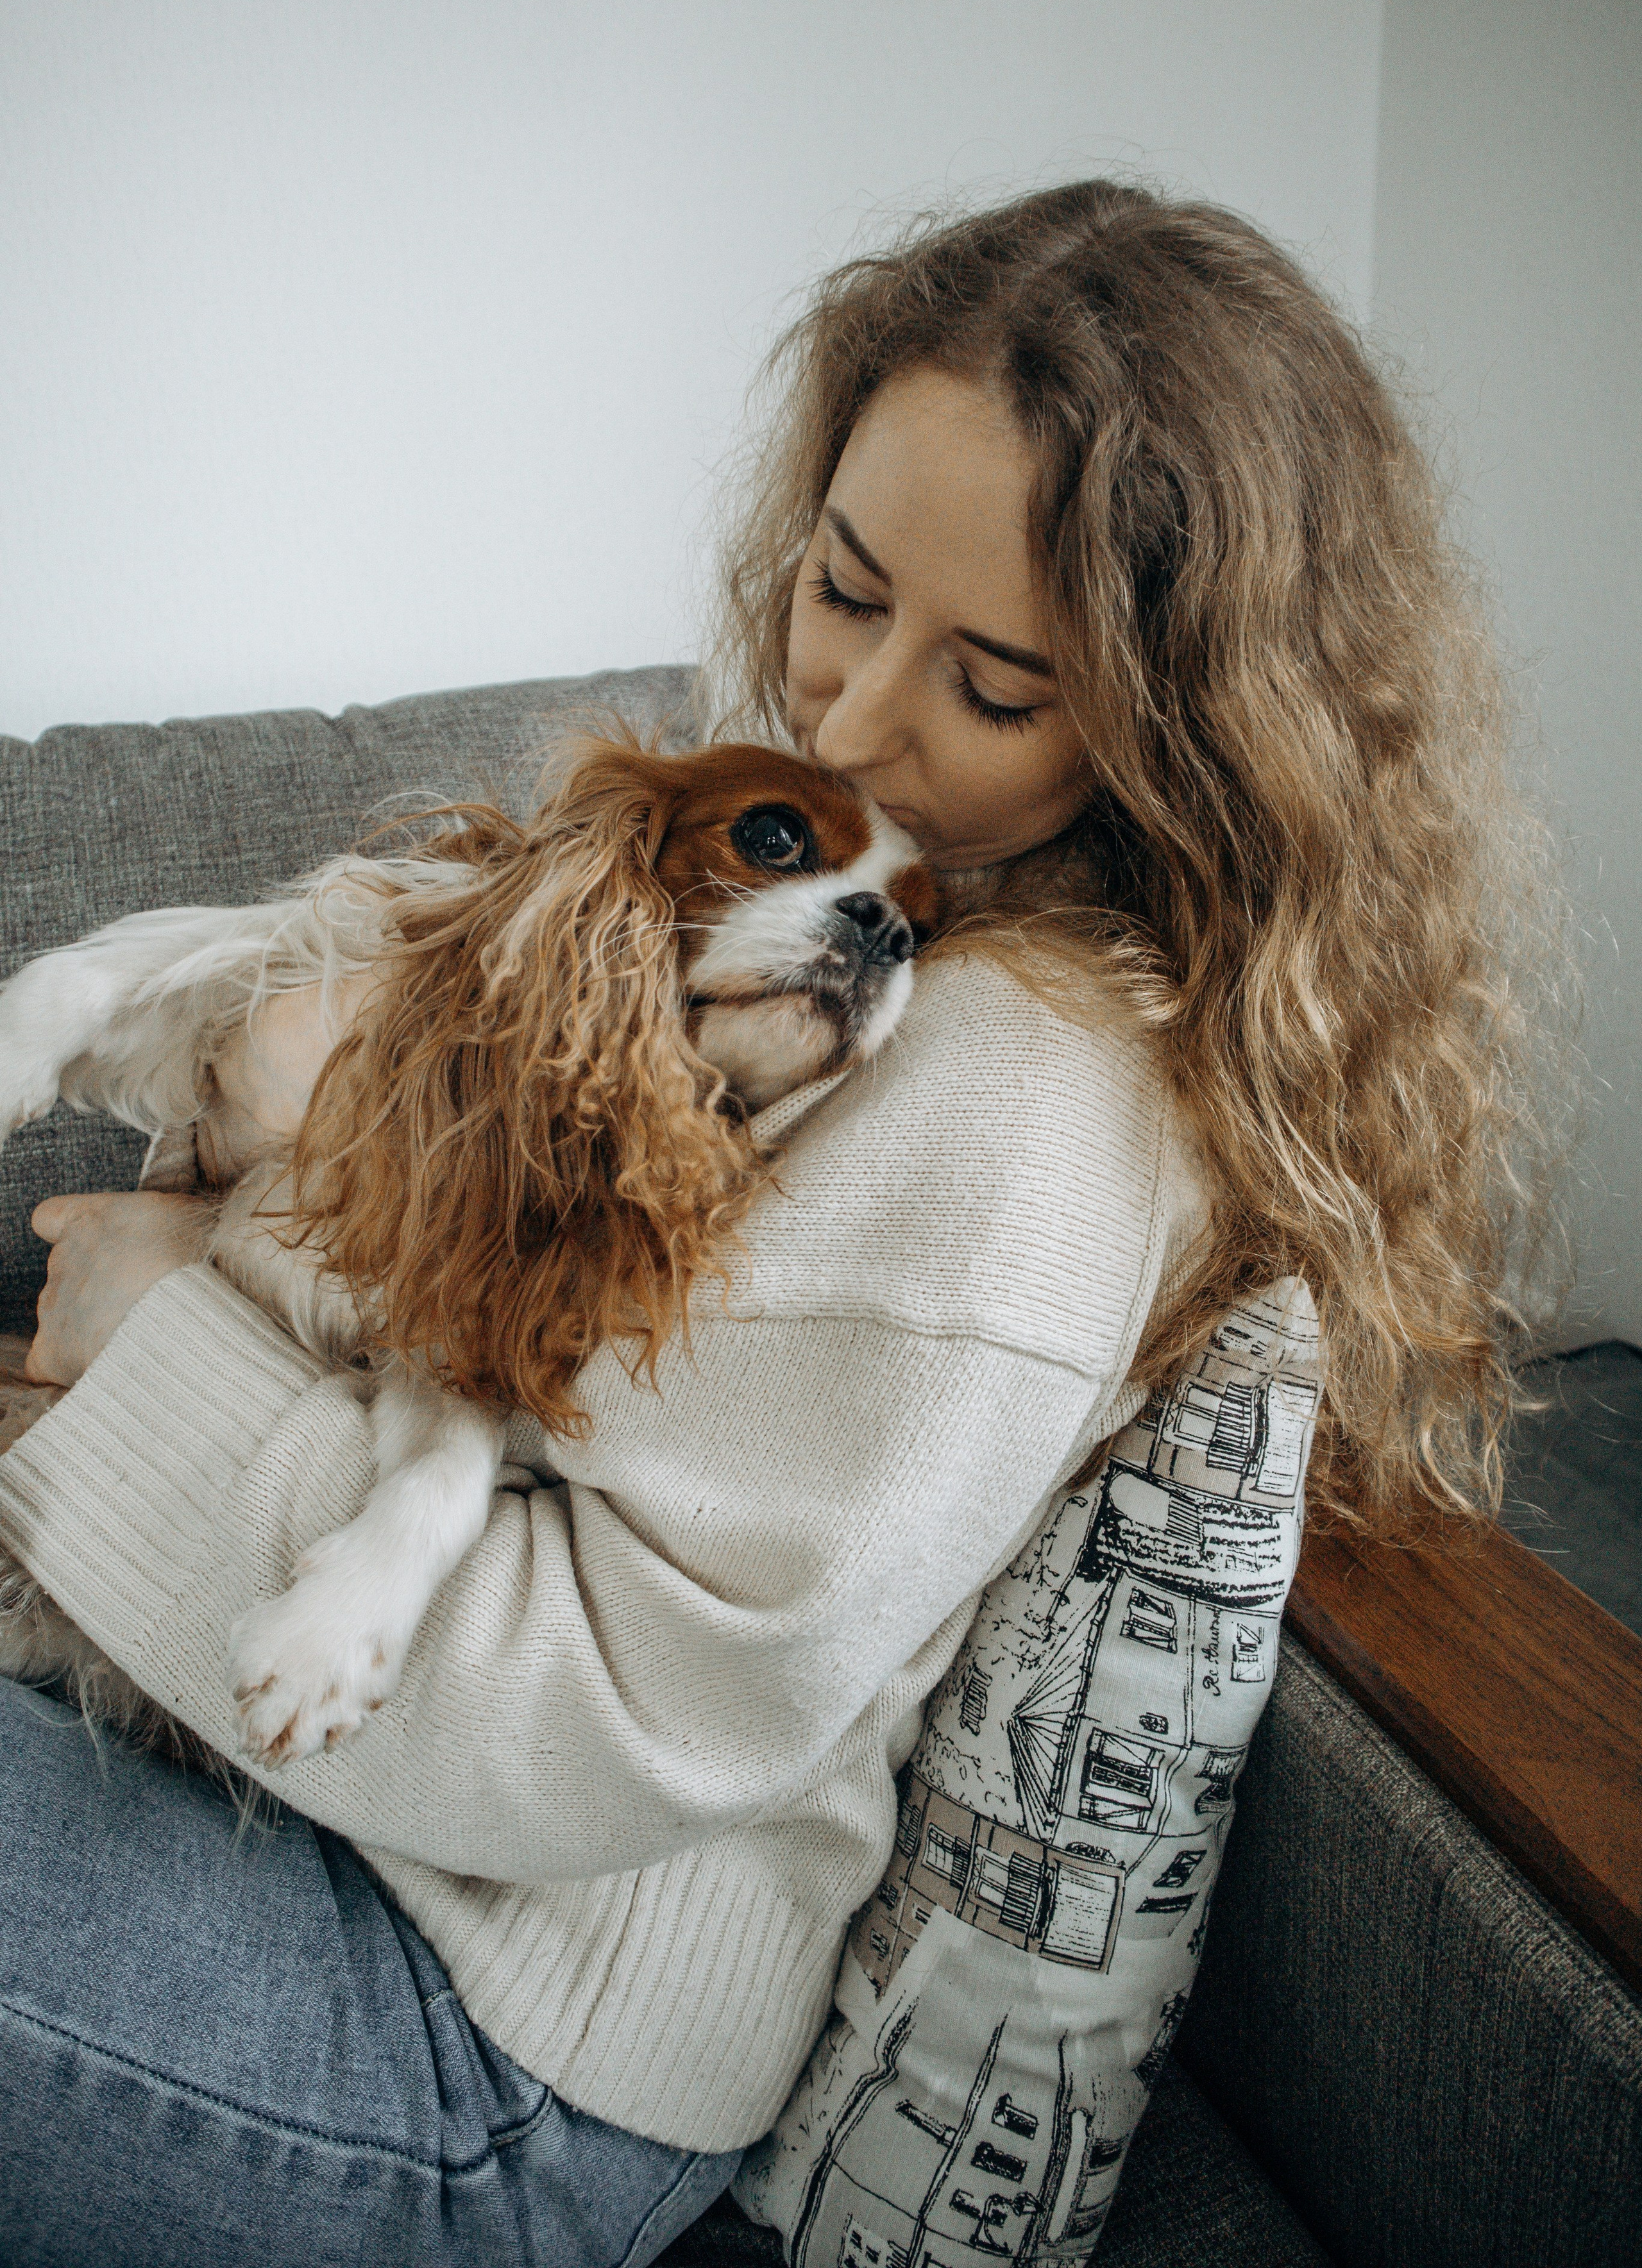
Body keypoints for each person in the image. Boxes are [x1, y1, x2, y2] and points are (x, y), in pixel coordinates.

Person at [0, 179, 1566, 2267]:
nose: (846, 719)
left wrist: (159, 1320)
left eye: (993, 685)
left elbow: (609, 1718)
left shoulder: (1023, 1100)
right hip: (302, 1819)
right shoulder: (832, 879)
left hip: (488, 2039)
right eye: (843, 587)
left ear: (1183, 732)